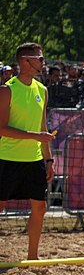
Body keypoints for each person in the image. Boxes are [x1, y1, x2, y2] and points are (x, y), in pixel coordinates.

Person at [0, 42, 55, 260]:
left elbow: (44, 129)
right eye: (40, 59)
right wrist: (36, 136)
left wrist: (49, 160)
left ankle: (33, 256)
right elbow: (2, 129)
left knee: (40, 208)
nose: (43, 62)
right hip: (7, 158)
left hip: (34, 160)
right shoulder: (7, 90)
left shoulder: (42, 90)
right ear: (26, 61)